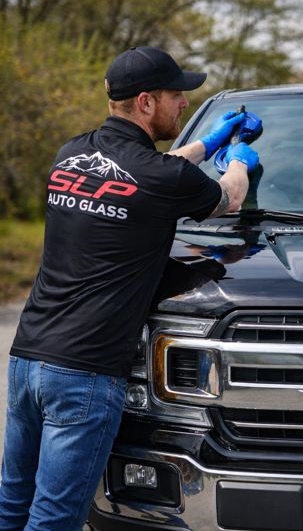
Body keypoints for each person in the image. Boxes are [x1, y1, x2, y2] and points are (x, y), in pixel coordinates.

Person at [0, 46, 260, 530]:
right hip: (86, 373)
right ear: (146, 101)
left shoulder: (70, 154)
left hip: (27, 361)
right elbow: (229, 198)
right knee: (54, 518)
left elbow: (145, 175)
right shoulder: (163, 176)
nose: (184, 103)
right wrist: (240, 160)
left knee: (12, 505)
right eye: (176, 94)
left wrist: (206, 145)